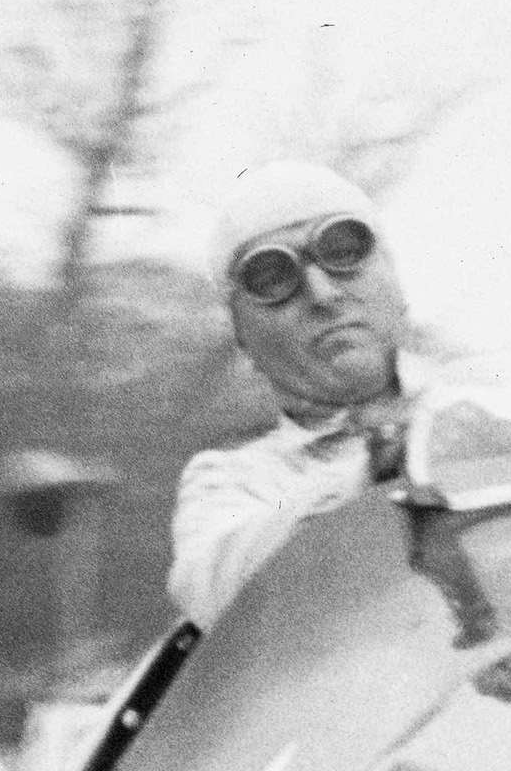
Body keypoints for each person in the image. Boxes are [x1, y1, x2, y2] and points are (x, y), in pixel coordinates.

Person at [166, 160, 418, 627]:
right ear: (243, 335)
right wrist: (374, 473)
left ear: (396, 279)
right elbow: (210, 585)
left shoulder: (494, 405)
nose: (322, 294)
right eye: (272, 281)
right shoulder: (236, 480)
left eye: (345, 253)